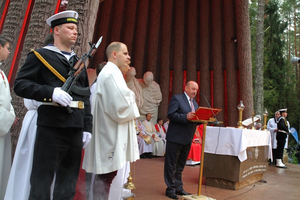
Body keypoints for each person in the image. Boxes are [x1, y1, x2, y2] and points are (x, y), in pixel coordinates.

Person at [13, 11, 93, 199]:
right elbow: (20, 85)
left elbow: (85, 97)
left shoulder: (78, 62)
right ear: (56, 30)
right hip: (51, 127)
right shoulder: (40, 56)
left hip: (74, 128)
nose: (75, 32)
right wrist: (50, 93)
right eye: (70, 28)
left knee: (68, 183)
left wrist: (87, 127)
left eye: (76, 29)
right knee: (42, 181)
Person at [82, 42, 140, 200]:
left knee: (106, 177)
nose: (129, 57)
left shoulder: (112, 73)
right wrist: (132, 96)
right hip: (109, 133)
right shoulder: (110, 74)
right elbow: (120, 106)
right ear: (114, 54)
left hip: (110, 131)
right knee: (105, 177)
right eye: (125, 53)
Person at [164, 81, 199, 199]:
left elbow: (196, 119)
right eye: (193, 89)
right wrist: (185, 116)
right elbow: (171, 115)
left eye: (196, 90)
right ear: (186, 88)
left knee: (180, 165)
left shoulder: (196, 104)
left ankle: (178, 187)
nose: (194, 91)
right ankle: (170, 188)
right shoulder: (177, 99)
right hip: (175, 138)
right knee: (171, 164)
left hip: (187, 138)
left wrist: (204, 118)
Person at [0, 35, 16, 200]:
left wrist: (11, 116)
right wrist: (9, 118)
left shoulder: (1, 73)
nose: (9, 51)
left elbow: (7, 100)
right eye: (7, 47)